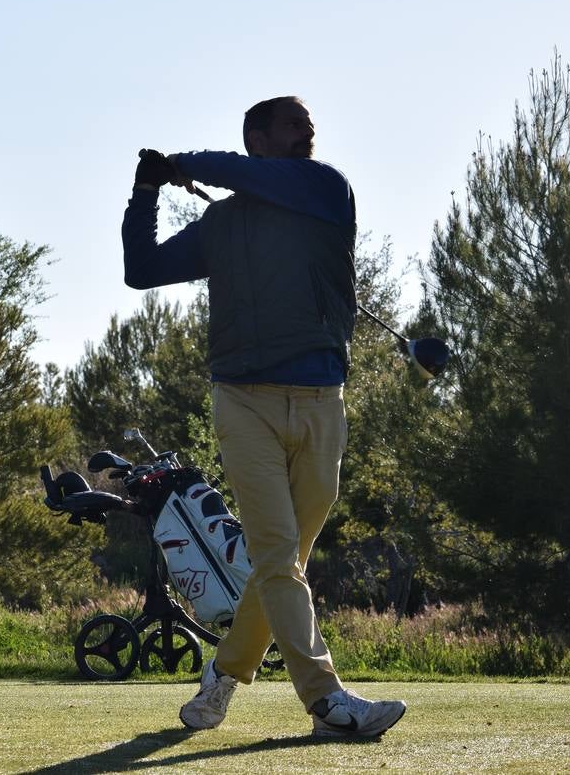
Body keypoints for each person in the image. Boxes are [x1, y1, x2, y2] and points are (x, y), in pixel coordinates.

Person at [121, 96, 406, 739]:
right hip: (243, 400)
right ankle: (328, 703)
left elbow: (251, 177)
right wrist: (146, 192)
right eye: (292, 126)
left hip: (322, 402)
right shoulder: (223, 225)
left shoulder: (326, 189)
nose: (309, 135)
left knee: (288, 560)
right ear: (255, 137)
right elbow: (143, 270)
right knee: (277, 555)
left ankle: (223, 674)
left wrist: (183, 163)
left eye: (310, 127)